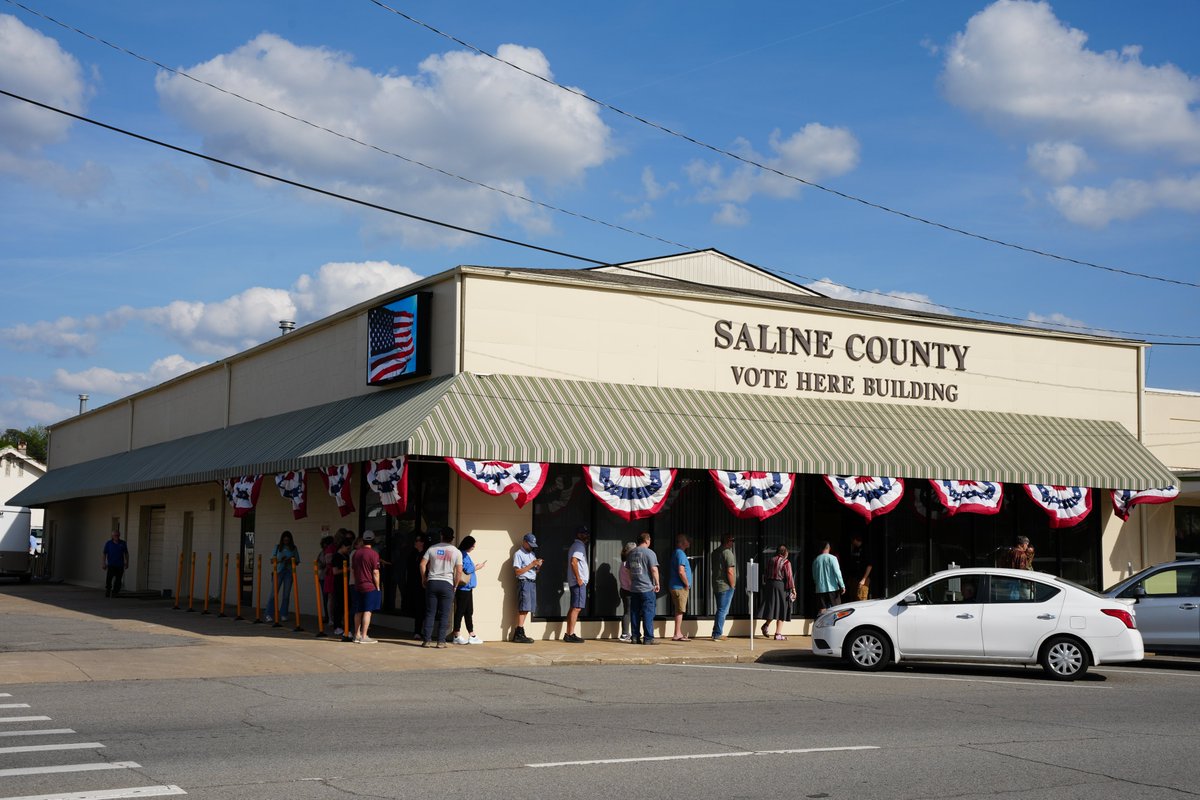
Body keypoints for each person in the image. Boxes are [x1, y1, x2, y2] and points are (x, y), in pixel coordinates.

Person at [420, 527, 463, 648]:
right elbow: (459, 571)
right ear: (452, 538)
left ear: (441, 536)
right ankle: (441, 641)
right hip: (447, 584)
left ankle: (427, 640)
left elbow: (422, 564)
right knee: (444, 614)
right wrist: (455, 584)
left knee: (430, 613)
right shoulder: (456, 551)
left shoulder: (432, 548)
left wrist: (424, 578)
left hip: (432, 582)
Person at [626, 532, 661, 645]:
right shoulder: (650, 553)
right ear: (647, 540)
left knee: (635, 613)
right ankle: (648, 638)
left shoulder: (631, 553)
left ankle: (635, 637)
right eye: (649, 540)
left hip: (635, 588)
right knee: (648, 612)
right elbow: (654, 569)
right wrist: (657, 583)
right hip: (647, 588)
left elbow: (628, 570)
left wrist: (632, 582)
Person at [451, 535, 486, 645]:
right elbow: (467, 569)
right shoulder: (462, 554)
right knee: (460, 611)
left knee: (468, 611)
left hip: (468, 588)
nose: (473, 547)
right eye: (472, 545)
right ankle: (456, 634)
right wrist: (478, 567)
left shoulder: (465, 554)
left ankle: (472, 634)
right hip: (463, 588)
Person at [758, 545, 795, 640]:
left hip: (770, 585)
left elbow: (765, 573)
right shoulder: (786, 562)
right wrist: (793, 589)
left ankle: (766, 625)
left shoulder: (771, 560)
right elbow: (789, 577)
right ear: (785, 552)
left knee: (773, 607)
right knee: (782, 608)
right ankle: (778, 634)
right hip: (780, 586)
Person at [351, 531, 382, 644]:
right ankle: (364, 636)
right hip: (369, 586)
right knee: (368, 611)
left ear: (363, 540)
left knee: (358, 611)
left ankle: (357, 634)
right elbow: (375, 572)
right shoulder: (374, 554)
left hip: (358, 585)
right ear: (373, 541)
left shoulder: (356, 554)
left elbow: (353, 570)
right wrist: (377, 586)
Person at [511, 533, 543, 643]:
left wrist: (537, 567)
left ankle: (520, 631)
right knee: (523, 607)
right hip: (524, 582)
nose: (531, 547)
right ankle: (519, 632)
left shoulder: (532, 554)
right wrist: (531, 564)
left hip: (532, 582)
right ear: (524, 542)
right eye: (530, 544)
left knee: (528, 608)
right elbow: (518, 572)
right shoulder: (518, 554)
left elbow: (534, 571)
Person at [264, 531, 299, 623]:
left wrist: (291, 560)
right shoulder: (277, 547)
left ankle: (284, 614)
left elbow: (297, 561)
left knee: (286, 595)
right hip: (278, 571)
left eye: (288, 539)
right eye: (284, 539)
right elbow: (272, 560)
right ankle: (269, 614)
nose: (286, 541)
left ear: (290, 540)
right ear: (282, 539)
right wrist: (280, 559)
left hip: (289, 572)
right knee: (273, 593)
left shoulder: (294, 548)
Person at [564, 525, 590, 643]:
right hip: (578, 583)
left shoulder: (576, 545)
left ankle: (568, 633)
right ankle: (571, 634)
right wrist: (579, 578)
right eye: (583, 533)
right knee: (577, 608)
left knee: (573, 607)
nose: (586, 535)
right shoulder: (579, 546)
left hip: (575, 582)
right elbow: (574, 562)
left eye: (586, 533)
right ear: (578, 535)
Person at [710, 533, 737, 640]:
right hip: (725, 586)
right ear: (727, 541)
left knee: (720, 609)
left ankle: (716, 632)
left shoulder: (715, 552)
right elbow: (730, 571)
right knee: (723, 610)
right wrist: (733, 585)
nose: (733, 543)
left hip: (717, 584)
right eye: (732, 541)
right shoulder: (728, 553)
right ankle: (717, 633)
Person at [669, 534, 692, 641]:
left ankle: (677, 633)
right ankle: (677, 634)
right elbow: (681, 571)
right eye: (688, 540)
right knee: (680, 610)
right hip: (680, 586)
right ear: (683, 542)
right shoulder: (681, 554)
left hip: (675, 585)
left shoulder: (676, 553)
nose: (689, 542)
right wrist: (687, 584)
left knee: (678, 609)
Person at [812, 541, 845, 614]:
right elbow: (837, 573)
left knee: (822, 609)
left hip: (820, 589)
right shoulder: (833, 558)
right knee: (836, 609)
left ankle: (821, 625)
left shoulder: (816, 560)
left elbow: (814, 576)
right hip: (832, 588)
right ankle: (835, 625)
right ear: (829, 548)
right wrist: (842, 585)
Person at [328, 536, 351, 637]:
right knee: (339, 605)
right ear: (342, 546)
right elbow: (335, 571)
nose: (348, 550)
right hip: (339, 584)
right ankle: (337, 626)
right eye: (347, 548)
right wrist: (347, 569)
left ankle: (342, 624)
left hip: (346, 583)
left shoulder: (346, 556)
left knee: (345, 605)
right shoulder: (336, 556)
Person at [845, 534, 873, 601]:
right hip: (854, 578)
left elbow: (870, 565)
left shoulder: (865, 549)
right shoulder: (854, 549)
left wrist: (863, 579)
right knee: (854, 598)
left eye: (852, 541)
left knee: (861, 598)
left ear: (855, 540)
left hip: (863, 578)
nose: (851, 543)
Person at [101, 530, 129, 597]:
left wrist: (127, 562)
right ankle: (108, 590)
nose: (117, 536)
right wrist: (103, 563)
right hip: (111, 564)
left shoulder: (123, 543)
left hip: (120, 564)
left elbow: (126, 553)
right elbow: (104, 553)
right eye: (115, 535)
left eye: (118, 535)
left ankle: (115, 592)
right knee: (109, 578)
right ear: (112, 536)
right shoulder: (109, 543)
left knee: (118, 579)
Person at [618, 541, 636, 642]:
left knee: (627, 612)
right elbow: (630, 580)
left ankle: (626, 633)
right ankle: (625, 634)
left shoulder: (623, 562)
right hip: (628, 591)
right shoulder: (627, 564)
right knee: (628, 612)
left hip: (624, 590)